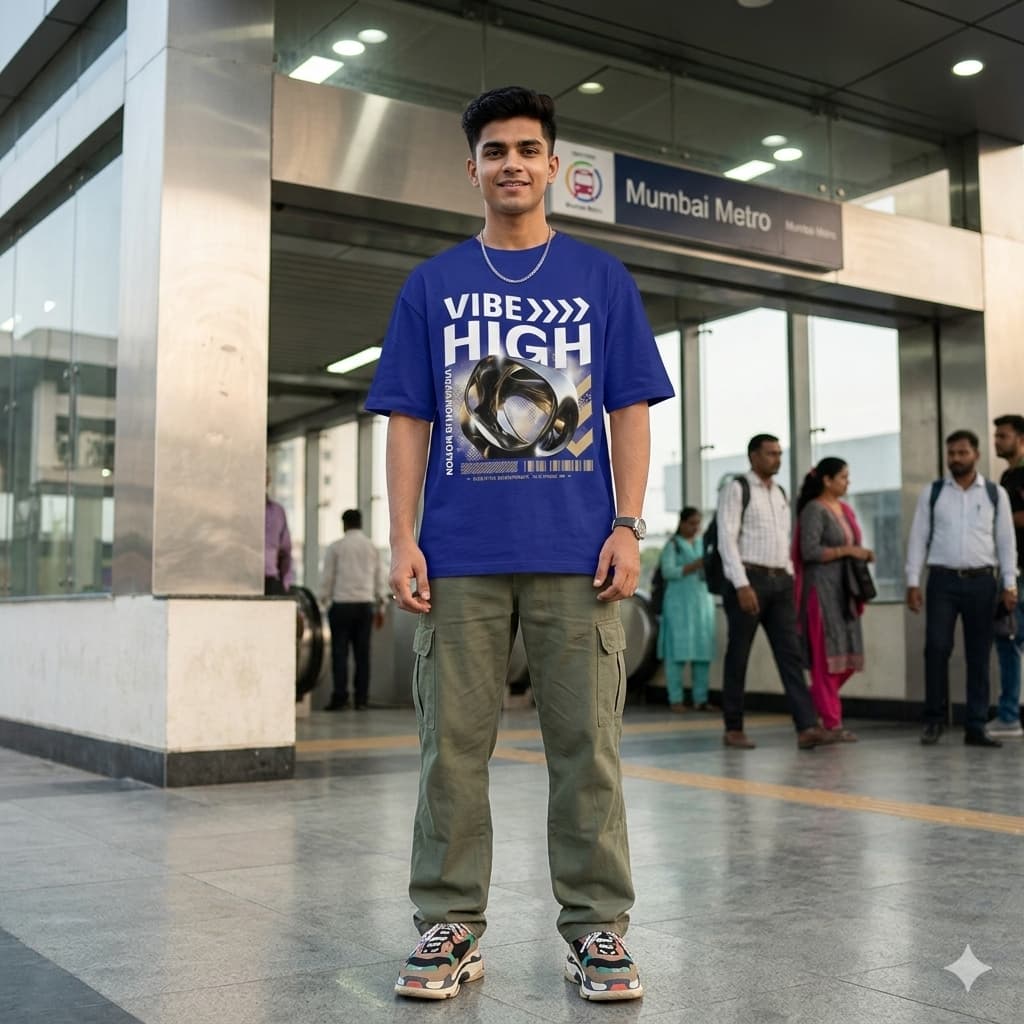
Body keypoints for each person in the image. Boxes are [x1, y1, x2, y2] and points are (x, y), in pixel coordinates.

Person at [365, 86, 673, 1003]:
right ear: (473, 169)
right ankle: (448, 924)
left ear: (552, 166)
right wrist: (403, 539)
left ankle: (597, 932)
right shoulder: (432, 285)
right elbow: (410, 421)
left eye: (528, 149)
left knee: (588, 748)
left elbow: (628, 412)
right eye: (495, 150)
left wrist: (626, 523)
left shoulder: (601, 280)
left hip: (578, 552)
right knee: (449, 749)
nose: (511, 163)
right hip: (459, 555)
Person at [905, 429, 1018, 747]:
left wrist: (1009, 584)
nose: (955, 459)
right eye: (951, 453)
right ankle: (933, 721)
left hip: (983, 582)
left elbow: (1006, 543)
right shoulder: (934, 492)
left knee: (980, 655)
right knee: (937, 649)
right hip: (942, 581)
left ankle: (976, 726)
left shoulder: (995, 494)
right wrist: (913, 581)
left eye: (962, 453)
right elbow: (918, 537)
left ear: (976, 455)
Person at [717, 434, 827, 750]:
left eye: (779, 453)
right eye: (770, 453)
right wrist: (741, 584)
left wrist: (790, 579)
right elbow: (727, 539)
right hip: (749, 580)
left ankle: (807, 726)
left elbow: (783, 538)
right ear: (753, 456)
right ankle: (733, 727)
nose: (777, 459)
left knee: (791, 655)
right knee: (739, 655)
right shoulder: (737, 488)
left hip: (780, 582)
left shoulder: (780, 492)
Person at [793, 458, 873, 743]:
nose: (847, 482)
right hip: (821, 591)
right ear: (827, 480)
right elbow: (810, 551)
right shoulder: (814, 510)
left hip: (845, 591)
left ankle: (812, 702)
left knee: (848, 657)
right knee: (827, 658)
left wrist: (859, 553)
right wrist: (848, 550)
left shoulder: (846, 510)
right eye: (843, 477)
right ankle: (831, 723)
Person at [318, 509, 387, 711]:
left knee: (339, 654)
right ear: (360, 523)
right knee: (363, 655)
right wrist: (381, 605)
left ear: (344, 524)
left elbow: (327, 578)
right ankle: (361, 700)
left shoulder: (336, 547)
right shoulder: (372, 548)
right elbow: (379, 578)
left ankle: (340, 697)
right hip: (365, 606)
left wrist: (322, 602)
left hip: (341, 605)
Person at [657, 507, 715, 712]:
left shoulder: (703, 544)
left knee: (702, 653)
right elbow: (668, 571)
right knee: (676, 654)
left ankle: (701, 699)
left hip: (702, 606)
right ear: (681, 523)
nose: (695, 527)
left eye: (698, 523)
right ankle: (676, 699)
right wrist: (694, 565)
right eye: (691, 523)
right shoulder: (673, 546)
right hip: (678, 607)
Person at [989, 415, 1024, 738]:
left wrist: (1001, 521)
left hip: (1019, 572)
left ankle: (1010, 714)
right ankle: (1009, 713)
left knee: (1009, 640)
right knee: (1009, 639)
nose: (997, 441)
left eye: (1003, 436)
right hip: (1013, 569)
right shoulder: (1008, 475)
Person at [264, 465, 294, 596]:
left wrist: (284, 584)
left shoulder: (277, 511)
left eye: (267, 473)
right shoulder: (238, 512)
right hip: (241, 580)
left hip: (270, 579)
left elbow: (285, 551)